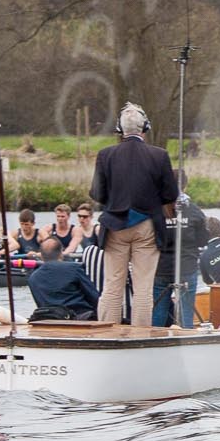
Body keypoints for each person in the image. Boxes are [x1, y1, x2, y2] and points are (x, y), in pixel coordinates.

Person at [89, 102, 178, 325]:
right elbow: (171, 194)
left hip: (114, 226)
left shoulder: (105, 155)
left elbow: (96, 193)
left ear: (120, 129)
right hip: (147, 225)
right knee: (143, 289)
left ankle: (107, 333)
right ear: (145, 128)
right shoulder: (160, 155)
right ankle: (140, 336)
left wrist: (115, 199)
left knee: (112, 286)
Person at [152, 187, 208, 328]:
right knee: (186, 314)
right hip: (186, 267)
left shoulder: (155, 210)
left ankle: (154, 341)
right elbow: (203, 240)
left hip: (161, 266)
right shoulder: (194, 211)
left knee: (158, 312)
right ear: (185, 186)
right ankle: (186, 340)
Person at [27, 237, 101, 320]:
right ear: (61, 253)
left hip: (49, 321)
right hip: (81, 319)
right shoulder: (74, 268)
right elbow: (94, 297)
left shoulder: (33, 278)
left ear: (41, 255)